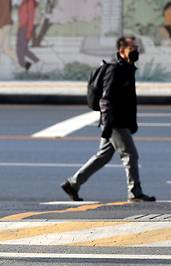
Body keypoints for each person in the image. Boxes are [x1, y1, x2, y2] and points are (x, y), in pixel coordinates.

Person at [61, 37, 156, 203]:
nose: (135, 50)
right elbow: (106, 99)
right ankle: (135, 192)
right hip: (114, 121)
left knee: (102, 156)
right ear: (121, 50)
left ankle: (73, 184)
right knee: (130, 154)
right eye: (131, 48)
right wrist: (108, 123)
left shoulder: (127, 67)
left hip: (120, 120)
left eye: (136, 47)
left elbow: (128, 99)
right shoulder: (114, 69)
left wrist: (132, 122)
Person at [17, 0, 40, 72]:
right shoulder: (24, 2)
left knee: (20, 50)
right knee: (23, 50)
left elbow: (31, 18)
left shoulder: (30, 2)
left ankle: (25, 65)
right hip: (22, 28)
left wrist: (28, 32)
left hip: (25, 28)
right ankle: (36, 62)